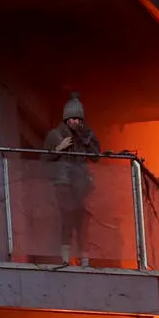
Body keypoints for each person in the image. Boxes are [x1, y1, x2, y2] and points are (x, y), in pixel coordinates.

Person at [43, 92, 102, 265]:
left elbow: (96, 156)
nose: (77, 122)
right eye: (73, 118)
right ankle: (65, 260)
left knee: (83, 221)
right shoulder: (55, 135)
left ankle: (84, 261)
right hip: (63, 184)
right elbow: (43, 160)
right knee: (68, 218)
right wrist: (58, 149)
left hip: (81, 185)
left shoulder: (84, 136)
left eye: (79, 119)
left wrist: (87, 139)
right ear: (66, 119)